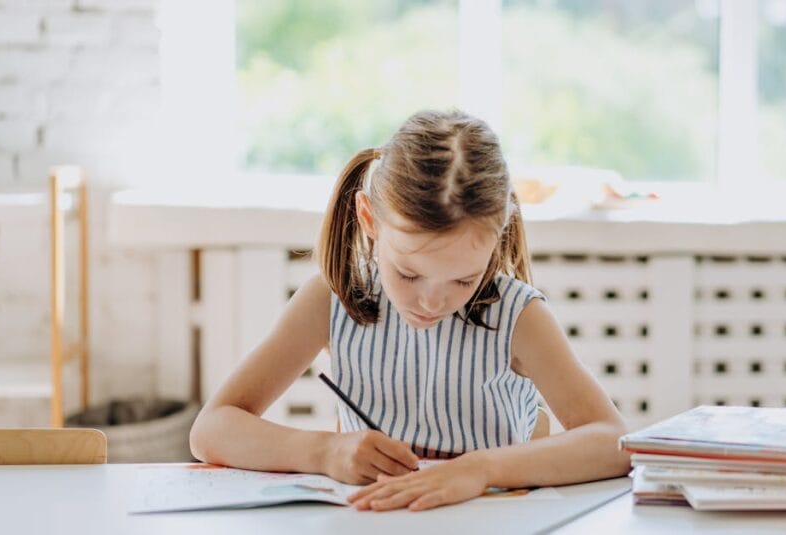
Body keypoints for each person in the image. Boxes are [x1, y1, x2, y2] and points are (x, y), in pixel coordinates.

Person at [189, 109, 629, 511]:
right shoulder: (331, 300)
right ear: (368, 220)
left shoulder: (518, 318)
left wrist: (482, 469)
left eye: (463, 279)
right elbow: (210, 430)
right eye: (409, 274)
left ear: (498, 238)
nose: (433, 301)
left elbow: (613, 442)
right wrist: (326, 452)